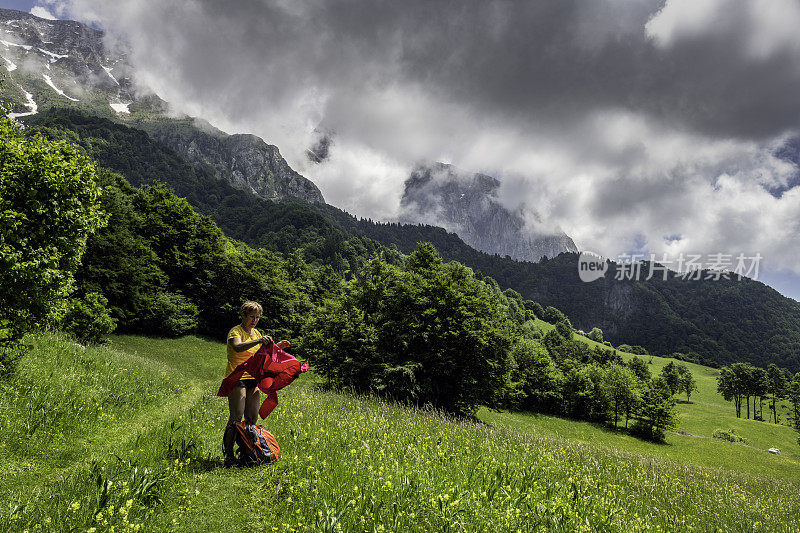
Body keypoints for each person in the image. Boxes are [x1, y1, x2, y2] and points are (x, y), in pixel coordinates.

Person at [222, 300, 289, 466]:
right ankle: (229, 455)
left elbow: (262, 355)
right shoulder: (235, 331)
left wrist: (278, 347)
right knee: (236, 417)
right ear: (244, 315)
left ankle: (247, 450)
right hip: (236, 377)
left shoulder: (257, 333)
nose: (255, 320)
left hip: (254, 378)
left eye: (258, 317)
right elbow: (237, 347)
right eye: (252, 317)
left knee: (252, 417)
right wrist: (259, 342)